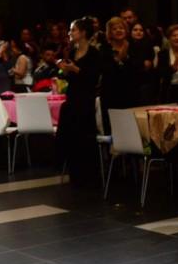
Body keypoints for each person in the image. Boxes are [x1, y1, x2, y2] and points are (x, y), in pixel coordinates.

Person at [57, 17, 102, 185]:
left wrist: (74, 69)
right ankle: (74, 174)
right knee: (72, 137)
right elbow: (69, 77)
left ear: (83, 32)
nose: (70, 33)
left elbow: (93, 78)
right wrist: (64, 71)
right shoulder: (71, 52)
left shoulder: (94, 53)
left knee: (85, 136)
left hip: (85, 99)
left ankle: (89, 176)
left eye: (73, 30)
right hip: (72, 96)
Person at [99, 17, 140, 132]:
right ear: (110, 32)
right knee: (112, 129)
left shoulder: (133, 47)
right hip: (110, 94)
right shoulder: (104, 49)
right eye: (114, 29)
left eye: (121, 28)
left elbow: (138, 69)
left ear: (126, 30)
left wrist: (126, 59)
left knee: (130, 129)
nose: (118, 31)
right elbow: (104, 70)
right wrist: (117, 61)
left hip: (130, 94)